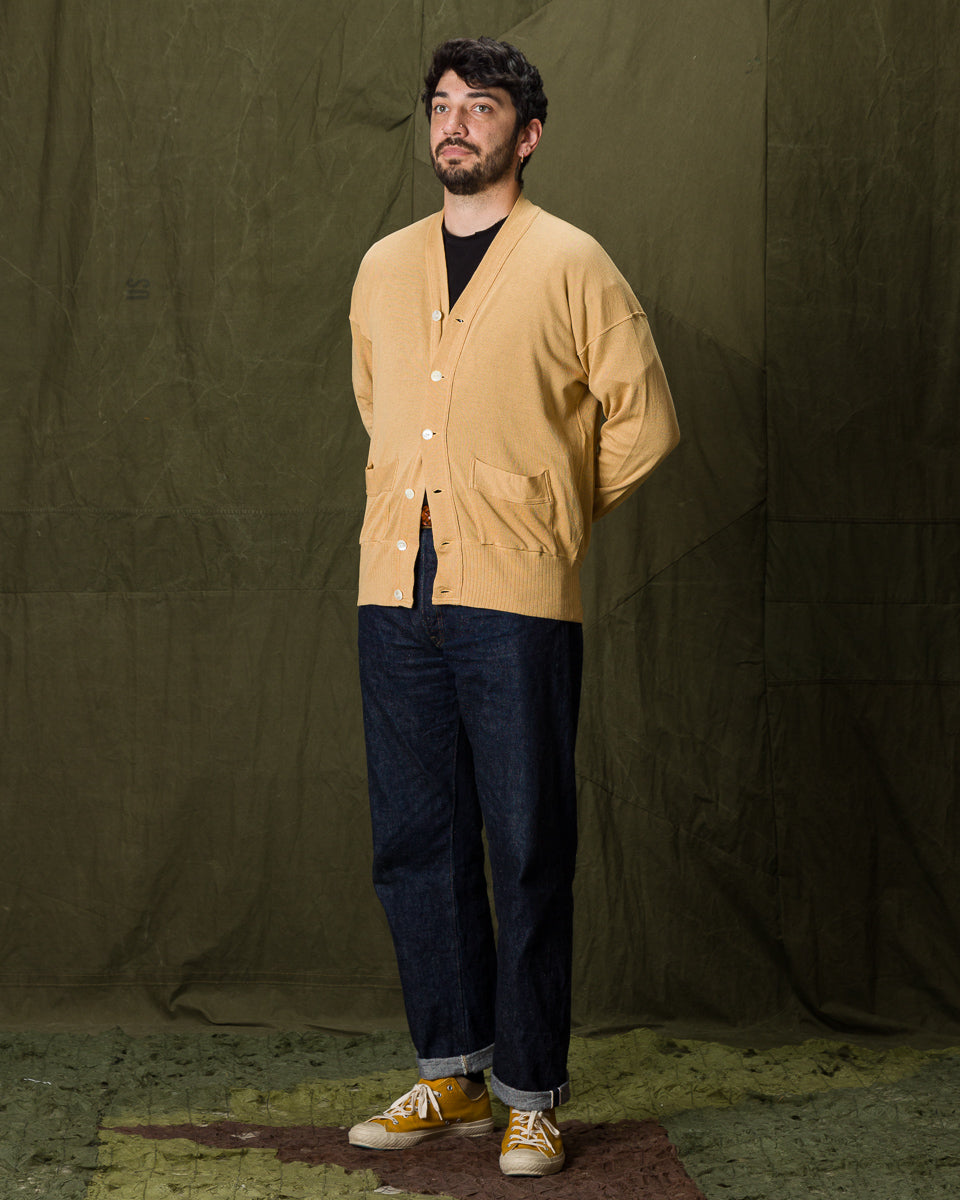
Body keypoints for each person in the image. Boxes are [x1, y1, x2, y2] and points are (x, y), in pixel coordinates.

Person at [347, 36, 679, 1178]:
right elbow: (379, 402)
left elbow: (645, 422)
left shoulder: (572, 262)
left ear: (525, 135)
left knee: (528, 841)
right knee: (416, 839)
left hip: (518, 598)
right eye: (441, 104)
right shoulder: (382, 266)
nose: (454, 122)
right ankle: (451, 1073)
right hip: (394, 589)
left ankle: (530, 1093)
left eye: (479, 107)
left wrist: (542, 512)